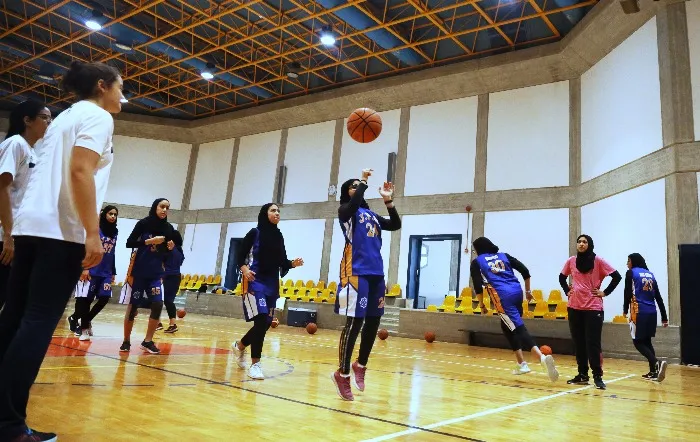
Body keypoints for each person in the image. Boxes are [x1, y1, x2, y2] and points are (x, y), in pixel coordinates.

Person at [0, 61, 122, 442]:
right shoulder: (98, 117)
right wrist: (92, 232)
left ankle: (6, 419)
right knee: (37, 324)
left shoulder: (64, 118)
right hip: (60, 232)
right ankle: (8, 425)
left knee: (13, 319)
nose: (122, 96)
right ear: (102, 86)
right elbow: (80, 170)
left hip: (28, 228)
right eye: (120, 87)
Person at [331, 168, 401, 401]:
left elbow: (395, 224)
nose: (357, 187)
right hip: (356, 272)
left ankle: (360, 365)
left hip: (376, 273)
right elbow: (352, 204)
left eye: (357, 185)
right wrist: (363, 180)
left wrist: (388, 201)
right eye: (352, 186)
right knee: (354, 323)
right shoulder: (345, 211)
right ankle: (342, 374)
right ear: (347, 192)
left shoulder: (371, 215)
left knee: (373, 321)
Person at [470, 237, 559, 382]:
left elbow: (477, 287)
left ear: (478, 249)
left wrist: (482, 305)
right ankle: (521, 363)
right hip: (517, 292)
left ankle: (541, 358)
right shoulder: (504, 256)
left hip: (503, 297)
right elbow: (525, 271)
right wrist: (528, 292)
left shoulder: (477, 262)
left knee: (517, 328)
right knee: (506, 327)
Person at [231, 203, 303, 380]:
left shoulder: (278, 235)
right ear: (265, 213)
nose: (277, 213)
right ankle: (255, 365)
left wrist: (292, 264)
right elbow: (239, 254)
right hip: (255, 280)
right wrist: (244, 269)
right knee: (261, 319)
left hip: (271, 282)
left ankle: (240, 346)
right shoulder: (254, 232)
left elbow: (282, 261)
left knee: (265, 323)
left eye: (278, 211)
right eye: (273, 210)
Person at [0, 100, 51, 308]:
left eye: (51, 119)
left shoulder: (32, 152)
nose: (49, 123)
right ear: (27, 120)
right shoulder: (15, 144)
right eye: (44, 118)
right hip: (4, 237)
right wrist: (8, 236)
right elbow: (2, 187)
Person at [559, 234, 621, 390]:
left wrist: (604, 292)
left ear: (589, 244)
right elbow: (561, 277)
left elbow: (616, 277)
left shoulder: (598, 260)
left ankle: (597, 376)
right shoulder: (571, 261)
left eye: (584, 242)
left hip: (593, 308)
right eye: (579, 241)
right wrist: (567, 290)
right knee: (578, 343)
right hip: (574, 307)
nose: (581, 244)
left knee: (592, 343)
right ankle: (582, 374)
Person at [119, 198, 175, 354]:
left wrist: (170, 248)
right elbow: (129, 243)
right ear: (155, 207)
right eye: (162, 206)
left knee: (158, 304)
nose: (165, 210)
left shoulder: (169, 228)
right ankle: (126, 341)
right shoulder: (143, 224)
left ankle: (148, 341)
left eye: (167, 208)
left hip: (156, 273)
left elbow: (166, 253)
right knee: (133, 307)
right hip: (139, 272)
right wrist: (149, 241)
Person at [68, 205, 119, 340]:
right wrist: (85, 268)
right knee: (85, 300)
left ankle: (82, 321)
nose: (113, 216)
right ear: (104, 214)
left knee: (104, 298)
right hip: (91, 269)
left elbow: (112, 253)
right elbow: (85, 249)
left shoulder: (115, 232)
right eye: (110, 214)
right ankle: (83, 328)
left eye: (115, 214)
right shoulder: (94, 230)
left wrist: (113, 271)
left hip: (106, 272)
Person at [623, 253, 668, 382]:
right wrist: (664, 317)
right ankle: (653, 372)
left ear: (634, 261)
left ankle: (657, 363)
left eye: (628, 261)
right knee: (647, 341)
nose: (627, 264)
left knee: (637, 342)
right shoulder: (650, 274)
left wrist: (625, 309)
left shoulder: (631, 273)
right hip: (652, 312)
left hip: (638, 312)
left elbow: (627, 292)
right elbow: (658, 297)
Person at [158, 229, 184, 333]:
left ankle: (173, 324)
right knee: (157, 300)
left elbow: (178, 261)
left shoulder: (178, 250)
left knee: (168, 301)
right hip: (164, 276)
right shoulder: (165, 250)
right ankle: (158, 323)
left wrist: (173, 250)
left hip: (173, 277)